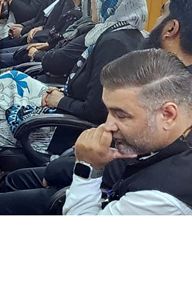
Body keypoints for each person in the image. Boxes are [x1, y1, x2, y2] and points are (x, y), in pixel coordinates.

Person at [0, 0, 192, 215]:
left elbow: (118, 151)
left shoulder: (163, 196)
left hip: (100, 178)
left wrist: (83, 168)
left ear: (171, 28)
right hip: (103, 169)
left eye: (162, 13)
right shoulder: (155, 71)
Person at [64, 48, 192, 215]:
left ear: (167, 115)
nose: (108, 125)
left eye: (121, 115)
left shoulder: (161, 199)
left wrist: (87, 167)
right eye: (108, 111)